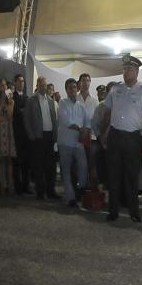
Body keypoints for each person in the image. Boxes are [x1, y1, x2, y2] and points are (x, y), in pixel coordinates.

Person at [100, 55, 142, 222]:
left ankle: (134, 212)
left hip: (133, 139)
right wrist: (103, 134)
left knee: (132, 177)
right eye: (124, 69)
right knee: (113, 176)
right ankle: (113, 211)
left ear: (136, 71)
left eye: (129, 69)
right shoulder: (115, 89)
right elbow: (107, 113)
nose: (125, 72)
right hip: (115, 136)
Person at [57, 78, 90, 207]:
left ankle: (81, 188)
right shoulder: (62, 103)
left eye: (75, 87)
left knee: (84, 165)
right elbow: (66, 121)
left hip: (78, 142)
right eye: (70, 88)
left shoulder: (81, 105)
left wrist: (86, 130)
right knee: (66, 170)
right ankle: (70, 198)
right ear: (66, 90)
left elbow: (87, 122)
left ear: (77, 89)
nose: (73, 90)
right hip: (65, 141)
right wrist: (80, 128)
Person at [23, 76, 58, 199]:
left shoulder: (51, 100)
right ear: (37, 86)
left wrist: (55, 135)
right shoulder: (31, 100)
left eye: (45, 85)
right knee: (38, 165)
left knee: (50, 165)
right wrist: (31, 134)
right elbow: (26, 118)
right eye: (42, 85)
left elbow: (54, 118)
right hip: (38, 136)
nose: (44, 87)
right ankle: (40, 192)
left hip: (49, 136)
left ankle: (51, 191)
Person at [0, 78, 16, 196]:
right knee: (0, 158)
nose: (3, 87)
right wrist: (3, 117)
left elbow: (10, 115)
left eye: (5, 85)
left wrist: (9, 101)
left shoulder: (10, 99)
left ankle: (10, 184)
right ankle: (2, 184)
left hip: (8, 130)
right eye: (1, 85)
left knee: (9, 159)